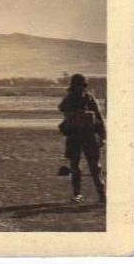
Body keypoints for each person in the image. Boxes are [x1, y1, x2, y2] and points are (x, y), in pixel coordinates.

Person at [58, 74, 106, 203]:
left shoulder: (89, 98)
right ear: (73, 86)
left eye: (82, 85)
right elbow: (62, 108)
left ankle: (102, 194)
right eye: (78, 85)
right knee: (75, 166)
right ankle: (77, 194)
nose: (80, 88)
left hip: (89, 136)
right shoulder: (69, 99)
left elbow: (100, 119)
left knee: (95, 167)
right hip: (74, 136)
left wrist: (103, 136)